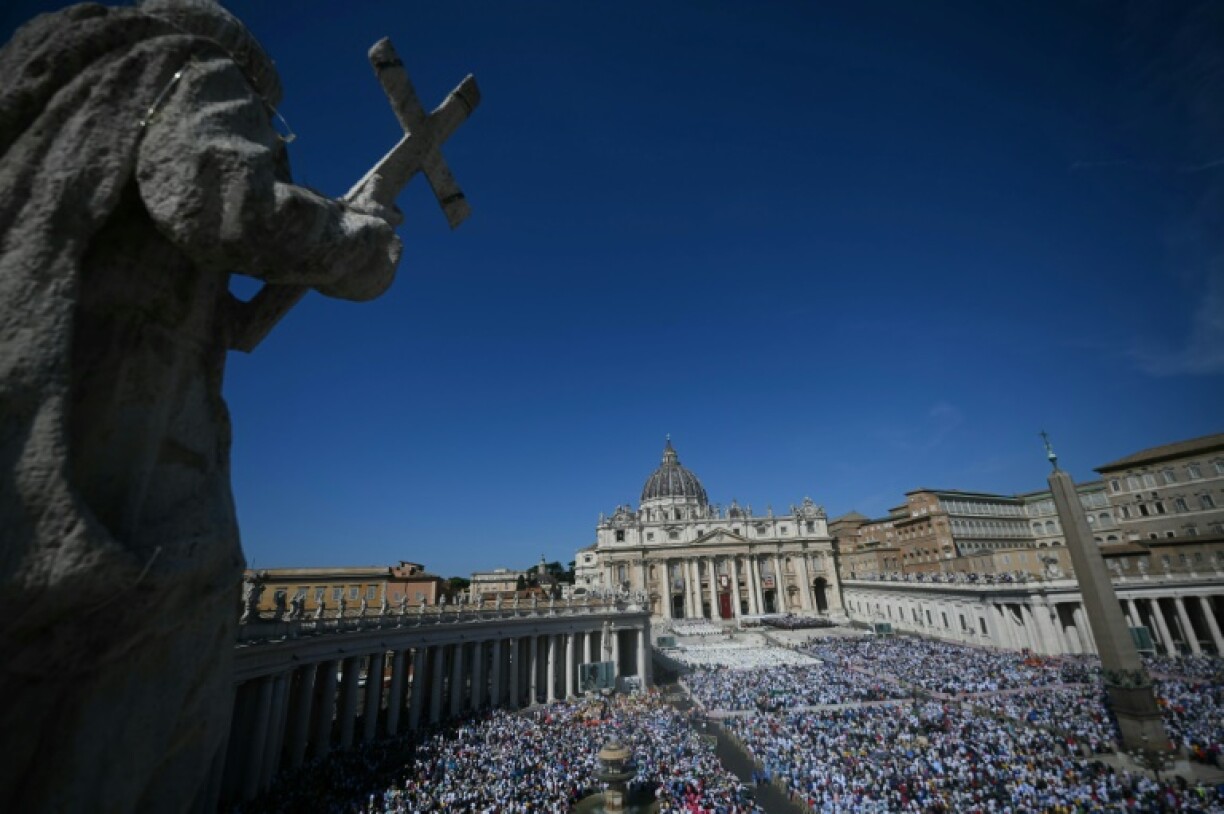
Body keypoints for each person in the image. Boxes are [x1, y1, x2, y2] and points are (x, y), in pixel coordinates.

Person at [0, 1, 400, 810]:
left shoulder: (57, 111)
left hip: (77, 402)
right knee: (143, 691)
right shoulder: (192, 69)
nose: (273, 140)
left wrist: (312, 261)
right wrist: (362, 244)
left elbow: (236, 324)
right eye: (270, 125)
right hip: (145, 441)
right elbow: (223, 204)